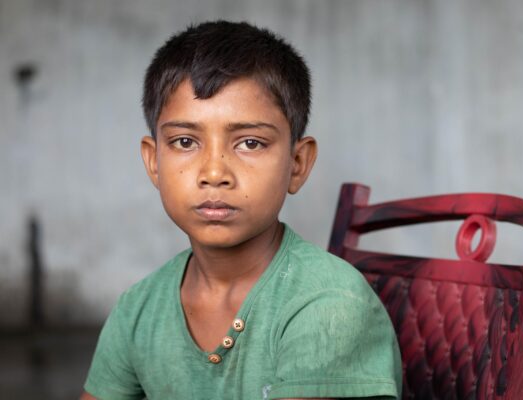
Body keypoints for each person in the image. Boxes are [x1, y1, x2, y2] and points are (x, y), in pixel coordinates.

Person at [81, 20, 402, 400]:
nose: (214, 173)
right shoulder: (138, 309)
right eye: (185, 141)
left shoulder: (330, 304)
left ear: (297, 163)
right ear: (154, 162)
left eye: (250, 143)